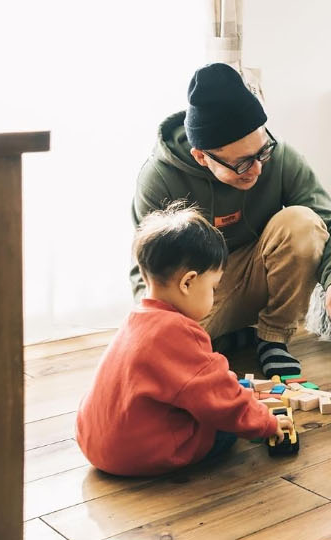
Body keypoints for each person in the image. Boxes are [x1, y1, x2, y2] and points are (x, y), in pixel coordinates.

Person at [131, 63, 331, 378]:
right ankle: (226, 338)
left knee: (303, 222)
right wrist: (152, 333)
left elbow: (330, 224)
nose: (256, 169)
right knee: (161, 361)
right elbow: (148, 272)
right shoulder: (159, 178)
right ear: (202, 156)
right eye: (242, 163)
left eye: (261, 153)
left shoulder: (280, 156)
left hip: (258, 273)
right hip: (197, 292)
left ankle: (272, 339)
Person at [77, 204, 292, 476]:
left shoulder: (136, 318)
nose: (214, 296)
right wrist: (267, 423)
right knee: (224, 425)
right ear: (188, 283)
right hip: (137, 454)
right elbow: (221, 401)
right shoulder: (179, 332)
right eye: (214, 287)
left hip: (92, 442)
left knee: (216, 386)